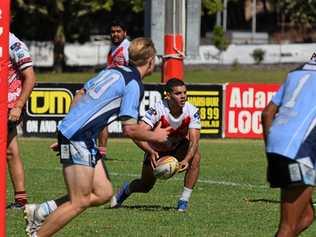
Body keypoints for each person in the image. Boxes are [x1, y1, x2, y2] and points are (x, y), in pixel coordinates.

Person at [24, 37, 171, 237]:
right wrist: (157, 135)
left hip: (78, 136)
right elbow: (130, 129)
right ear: (152, 60)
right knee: (80, 201)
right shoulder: (134, 84)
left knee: (103, 193)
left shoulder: (112, 70)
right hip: (78, 137)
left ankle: (40, 211)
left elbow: (80, 94)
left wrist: (66, 131)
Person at [110, 78, 201, 212]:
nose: (183, 96)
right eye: (178, 93)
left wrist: (187, 160)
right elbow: (136, 134)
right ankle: (126, 190)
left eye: (184, 93)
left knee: (196, 157)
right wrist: (150, 151)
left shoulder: (192, 110)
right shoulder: (157, 109)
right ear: (168, 95)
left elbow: (194, 140)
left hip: (179, 146)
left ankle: (183, 201)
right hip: (157, 150)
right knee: (145, 186)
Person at [261, 53, 316, 237]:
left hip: (277, 145)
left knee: (307, 216)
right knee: (287, 226)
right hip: (298, 150)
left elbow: (267, 113)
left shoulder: (295, 73)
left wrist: (271, 150)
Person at [7, 32, 36, 209]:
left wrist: (18, 105)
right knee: (10, 149)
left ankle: (20, 199)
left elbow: (30, 77)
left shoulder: (13, 43)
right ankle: (21, 199)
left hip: (8, 104)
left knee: (10, 150)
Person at [98, 20, 130, 158]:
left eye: (118, 31)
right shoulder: (113, 48)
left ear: (125, 33)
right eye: (113, 32)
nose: (115, 34)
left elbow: (133, 70)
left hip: (123, 92)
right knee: (101, 119)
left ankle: (152, 150)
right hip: (111, 92)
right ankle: (101, 152)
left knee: (130, 127)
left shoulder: (128, 48)